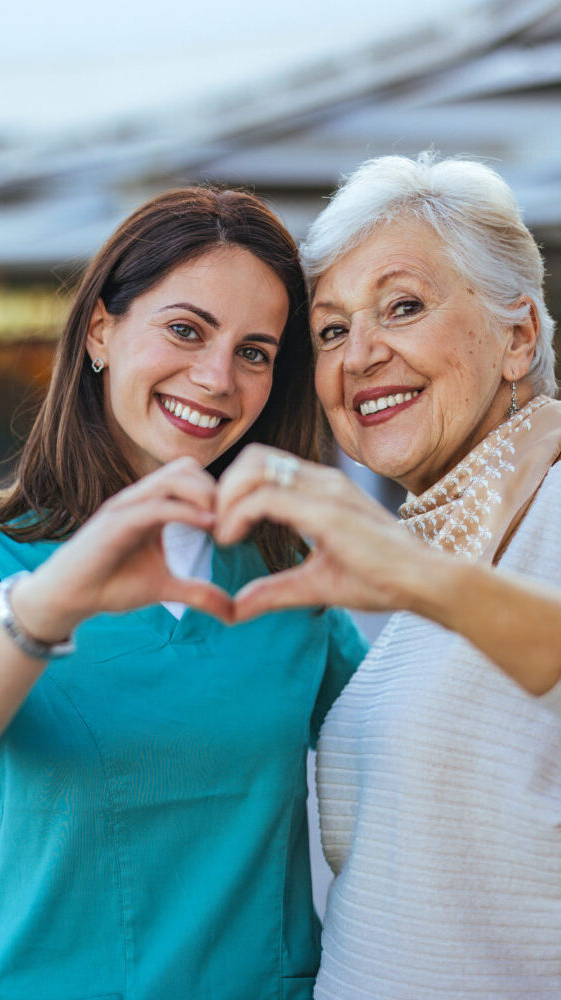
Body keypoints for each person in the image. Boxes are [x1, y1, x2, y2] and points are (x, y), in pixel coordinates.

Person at [0, 187, 368, 1000]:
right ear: (101, 329)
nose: (215, 378)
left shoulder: (287, 566)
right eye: (185, 329)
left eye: (255, 352)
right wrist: (51, 602)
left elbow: (413, 743)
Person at [211, 153, 561, 999]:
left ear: (518, 338)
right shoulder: (445, 548)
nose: (360, 355)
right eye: (331, 330)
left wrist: (410, 572)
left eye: (402, 307)